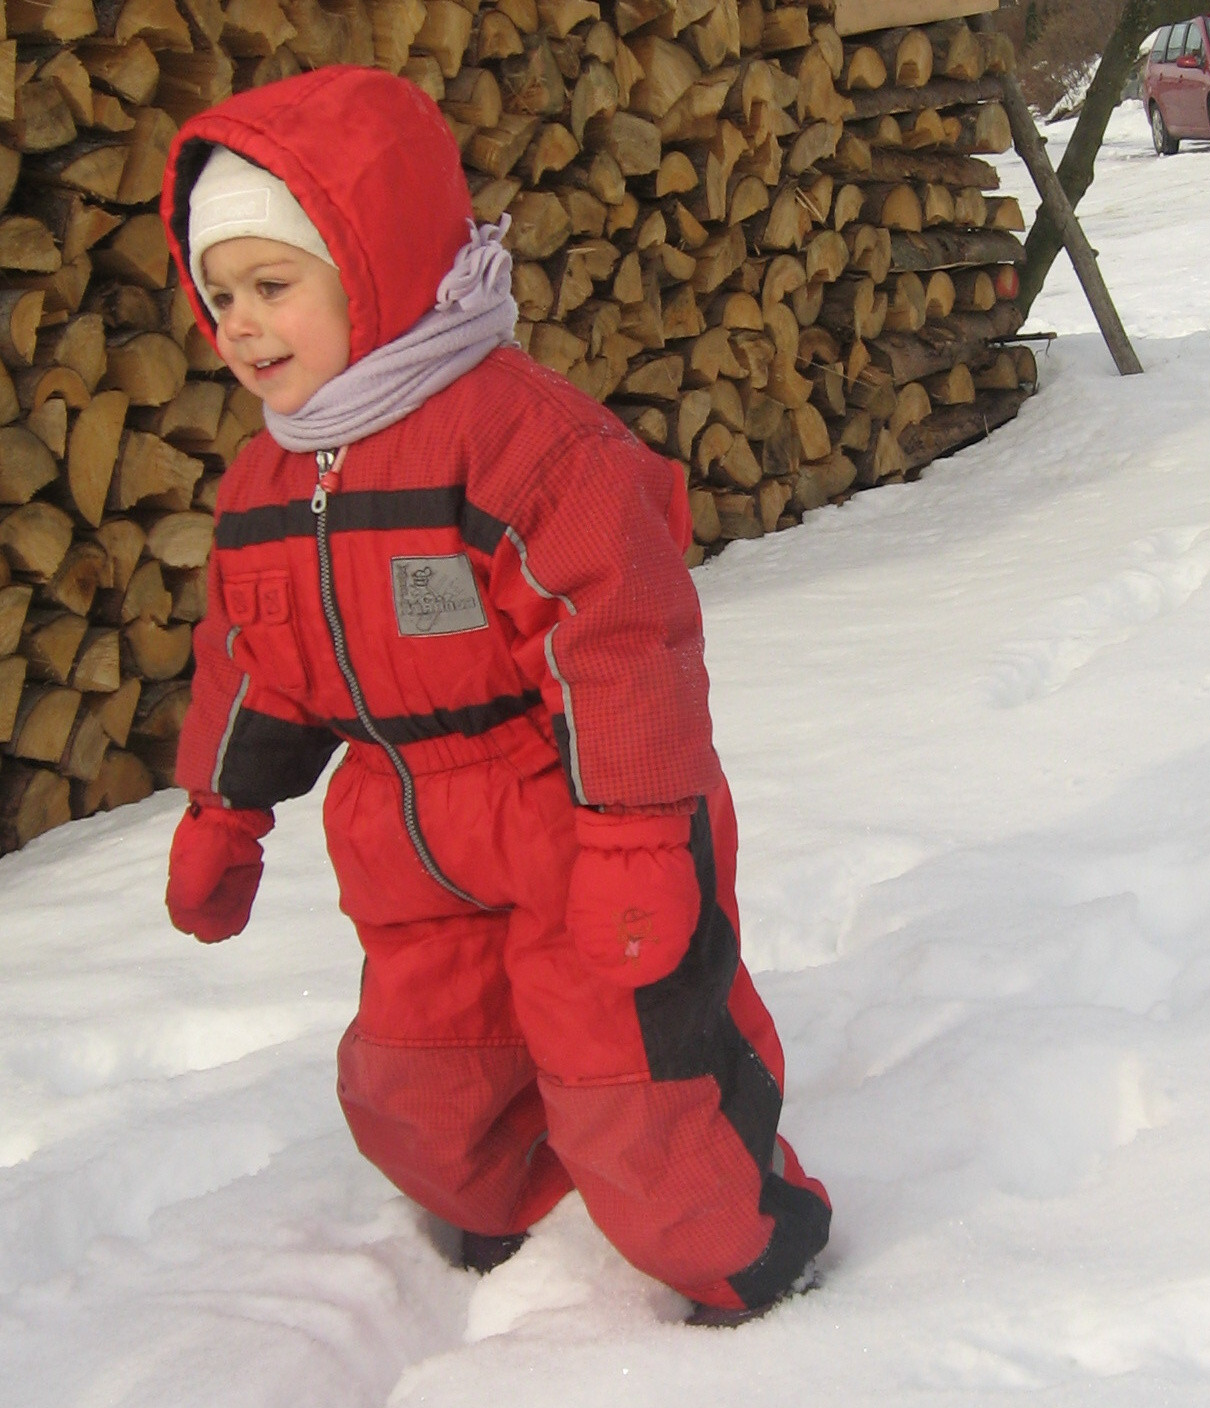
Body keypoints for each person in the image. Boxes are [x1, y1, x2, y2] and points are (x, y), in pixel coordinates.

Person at [155, 65, 829, 1326]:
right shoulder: (267, 483)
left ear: (372, 267)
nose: (240, 324)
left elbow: (622, 639)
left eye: (273, 285)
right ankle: (521, 1219)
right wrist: (222, 812)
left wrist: (637, 833)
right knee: (421, 1085)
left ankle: (750, 1257)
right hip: (404, 832)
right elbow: (253, 654)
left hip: (577, 811)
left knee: (633, 1079)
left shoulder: (523, 441)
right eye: (220, 293)